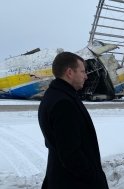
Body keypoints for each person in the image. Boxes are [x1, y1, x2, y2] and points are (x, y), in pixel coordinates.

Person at [38, 52, 109, 189]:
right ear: (70, 72)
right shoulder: (64, 103)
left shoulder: (53, 95)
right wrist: (94, 179)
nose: (86, 76)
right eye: (82, 71)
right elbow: (71, 155)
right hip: (73, 182)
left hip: (60, 176)